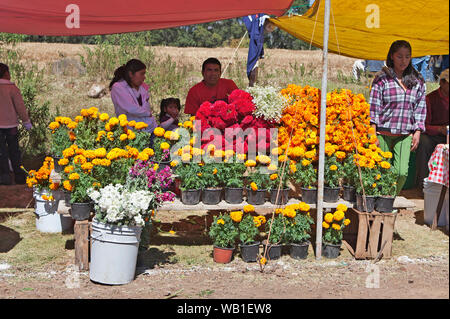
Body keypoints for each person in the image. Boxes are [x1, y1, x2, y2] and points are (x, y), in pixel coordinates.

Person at [369, 40, 427, 195]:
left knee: (402, 172)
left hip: (405, 134)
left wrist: (418, 131)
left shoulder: (417, 80)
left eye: (407, 57)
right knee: (380, 171)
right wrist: (372, 132)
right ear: (392, 56)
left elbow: (420, 108)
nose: (404, 60)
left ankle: (389, 198)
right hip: (383, 133)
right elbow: (374, 107)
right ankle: (380, 202)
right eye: (400, 56)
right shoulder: (382, 78)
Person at [415, 68, 449, 189]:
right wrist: (440, 129)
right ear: (442, 83)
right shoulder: (430, 99)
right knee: (423, 142)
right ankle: (424, 185)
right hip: (433, 135)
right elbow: (424, 125)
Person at [0, 63, 32, 185]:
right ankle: (19, 177)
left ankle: (4, 177)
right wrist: (26, 121)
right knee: (14, 151)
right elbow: (20, 107)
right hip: (11, 125)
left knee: (1, 152)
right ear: (6, 74)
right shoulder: (12, 88)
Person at [110, 59, 157, 134]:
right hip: (131, 130)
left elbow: (146, 107)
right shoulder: (118, 87)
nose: (144, 77)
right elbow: (131, 108)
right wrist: (148, 113)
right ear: (131, 74)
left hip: (149, 127)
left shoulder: (142, 87)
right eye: (142, 74)